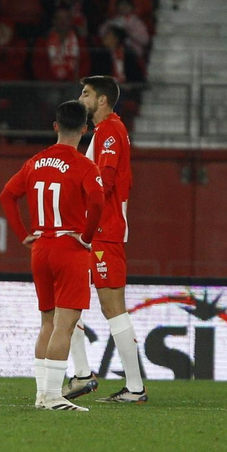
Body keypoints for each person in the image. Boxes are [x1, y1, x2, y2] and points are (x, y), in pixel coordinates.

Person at [0, 100, 107, 411]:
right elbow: (98, 203)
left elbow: (7, 196)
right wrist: (86, 237)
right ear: (85, 130)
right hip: (69, 248)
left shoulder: (35, 162)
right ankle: (54, 397)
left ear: (56, 126)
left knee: (47, 322)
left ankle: (42, 395)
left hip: (41, 247)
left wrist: (23, 235)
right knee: (65, 325)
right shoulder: (85, 165)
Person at [63, 75, 149, 404]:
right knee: (69, 299)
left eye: (85, 93)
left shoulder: (111, 130)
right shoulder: (104, 132)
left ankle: (135, 387)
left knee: (113, 309)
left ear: (101, 100)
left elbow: (106, 182)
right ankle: (83, 374)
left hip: (103, 232)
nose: (80, 98)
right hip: (95, 231)